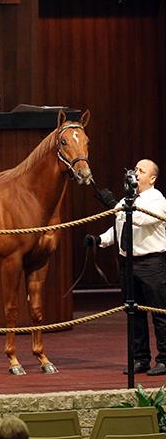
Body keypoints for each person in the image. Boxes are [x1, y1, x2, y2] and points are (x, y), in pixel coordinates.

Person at [87, 159, 166, 376]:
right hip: (129, 263)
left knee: (159, 313)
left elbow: (137, 219)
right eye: (135, 169)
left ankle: (165, 359)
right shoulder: (126, 200)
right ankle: (140, 359)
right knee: (135, 314)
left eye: (141, 171)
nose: (135, 173)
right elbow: (120, 226)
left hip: (151, 264)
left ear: (152, 178)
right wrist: (99, 240)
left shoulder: (157, 200)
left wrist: (113, 205)